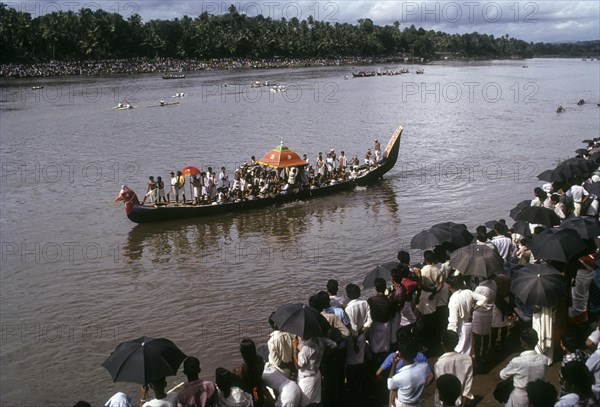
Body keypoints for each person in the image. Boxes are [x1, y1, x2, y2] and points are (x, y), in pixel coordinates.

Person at [499, 328, 552, 407]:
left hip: (520, 397)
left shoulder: (517, 361)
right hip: (537, 395)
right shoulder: (544, 359)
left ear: (523, 344)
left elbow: (502, 375)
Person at [446, 274, 487, 356]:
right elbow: (484, 298)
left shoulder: (453, 300)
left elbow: (453, 322)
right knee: (469, 348)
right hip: (469, 324)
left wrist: (450, 337)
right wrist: (473, 308)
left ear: (449, 286)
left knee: (460, 349)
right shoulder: (468, 292)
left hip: (460, 326)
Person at [386, 337, 432, 407]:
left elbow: (390, 385)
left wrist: (394, 364)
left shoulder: (398, 377)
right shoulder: (424, 367)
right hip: (416, 403)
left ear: (400, 355)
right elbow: (431, 375)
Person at [292, 334, 336, 407]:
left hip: (306, 380)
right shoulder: (321, 340)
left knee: (305, 404)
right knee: (317, 401)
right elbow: (334, 345)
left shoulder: (306, 348)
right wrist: (322, 355)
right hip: (316, 375)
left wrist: (294, 348)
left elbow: (298, 366)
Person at [344, 283, 372, 397]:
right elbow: (370, 319)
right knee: (360, 361)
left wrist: (355, 341)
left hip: (353, 339)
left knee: (351, 363)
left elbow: (353, 327)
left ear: (348, 295)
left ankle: (352, 387)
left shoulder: (348, 308)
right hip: (362, 335)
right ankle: (360, 385)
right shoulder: (365, 303)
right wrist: (364, 330)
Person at [434, 330, 473, 407]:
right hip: (459, 401)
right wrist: (463, 404)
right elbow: (468, 386)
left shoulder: (439, 364)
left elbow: (441, 387)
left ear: (442, 343)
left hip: (444, 403)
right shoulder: (467, 359)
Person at [471, 276, 497, 367]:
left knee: (477, 338)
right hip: (488, 314)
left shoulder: (479, 287)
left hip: (478, 314)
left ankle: (477, 357)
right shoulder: (494, 284)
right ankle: (484, 356)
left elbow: (474, 300)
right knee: (486, 336)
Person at [267, 314, 295, 379]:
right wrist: (291, 366)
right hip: (288, 368)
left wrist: (289, 366)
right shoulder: (290, 334)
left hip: (280, 372)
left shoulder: (271, 341)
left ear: (273, 325)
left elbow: (277, 363)